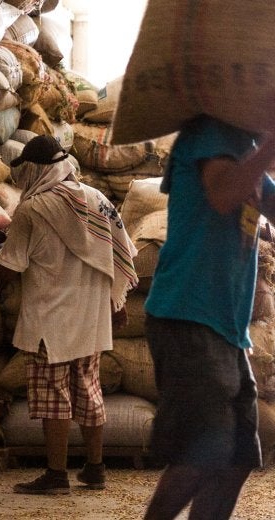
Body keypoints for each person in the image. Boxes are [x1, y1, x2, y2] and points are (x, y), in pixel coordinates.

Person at [143, 115, 275, 520]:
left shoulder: (245, 150)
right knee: (204, 454)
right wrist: (269, 145)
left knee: (236, 458)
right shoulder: (208, 132)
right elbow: (222, 194)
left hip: (227, 330)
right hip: (188, 315)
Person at [0, 134, 138, 495]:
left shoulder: (32, 209)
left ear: (34, 170)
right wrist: (114, 303)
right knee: (89, 392)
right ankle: (95, 468)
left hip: (50, 320)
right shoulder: (98, 200)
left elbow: (10, 267)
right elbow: (119, 254)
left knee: (52, 397)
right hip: (91, 315)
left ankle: (56, 475)